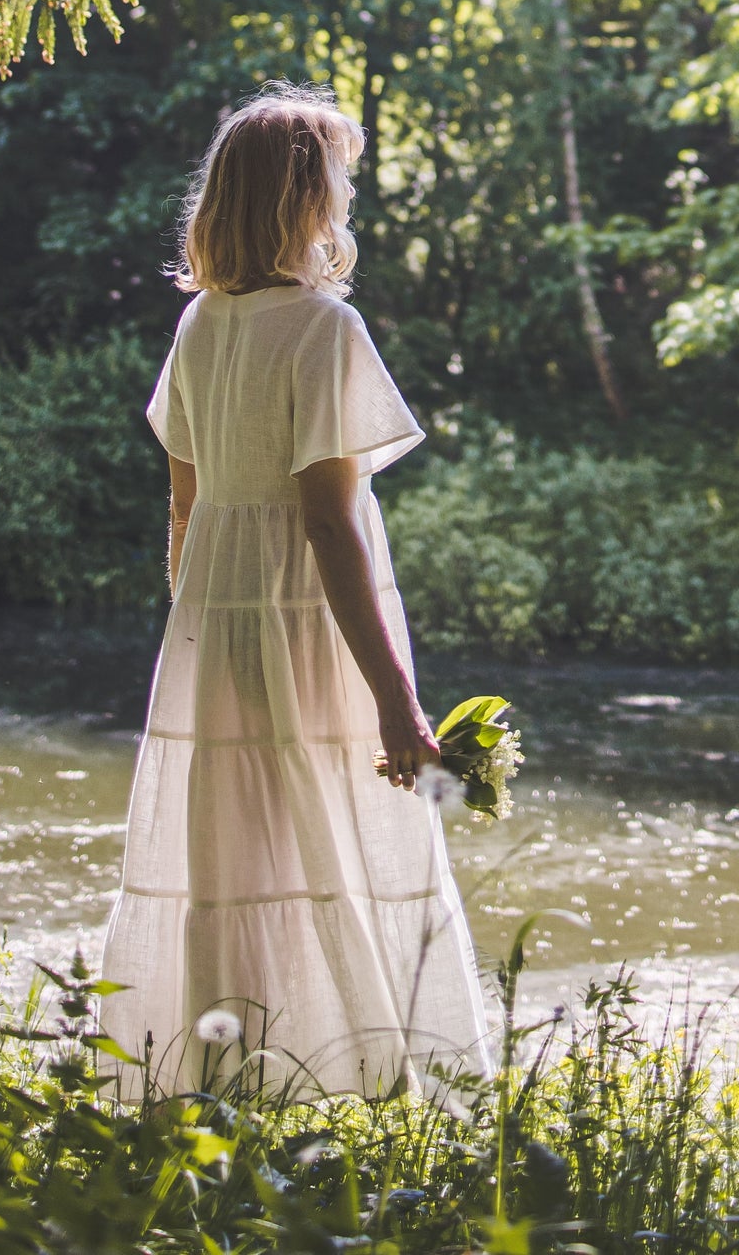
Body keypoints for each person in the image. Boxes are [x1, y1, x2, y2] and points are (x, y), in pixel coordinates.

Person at [101, 85, 491, 1094]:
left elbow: (182, 506)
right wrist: (395, 701)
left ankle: (228, 1072)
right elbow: (325, 522)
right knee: (332, 831)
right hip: (298, 615)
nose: (346, 197)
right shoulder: (322, 329)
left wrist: (198, 629)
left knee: (234, 845)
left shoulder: (201, 324)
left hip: (215, 613)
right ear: (307, 198)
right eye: (340, 178)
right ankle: (365, 1071)